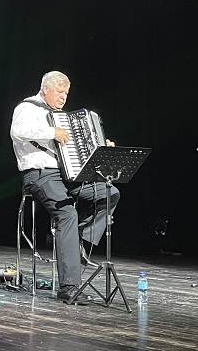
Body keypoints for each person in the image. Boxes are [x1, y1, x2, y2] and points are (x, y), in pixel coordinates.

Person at [10, 71, 120, 304]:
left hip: (68, 176)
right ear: (46, 89)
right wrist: (53, 132)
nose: (64, 97)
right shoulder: (27, 108)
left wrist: (102, 147)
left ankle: (78, 242)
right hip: (40, 174)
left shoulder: (63, 117)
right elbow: (17, 131)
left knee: (109, 193)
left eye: (66, 93)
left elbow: (78, 151)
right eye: (60, 92)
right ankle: (69, 287)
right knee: (67, 214)